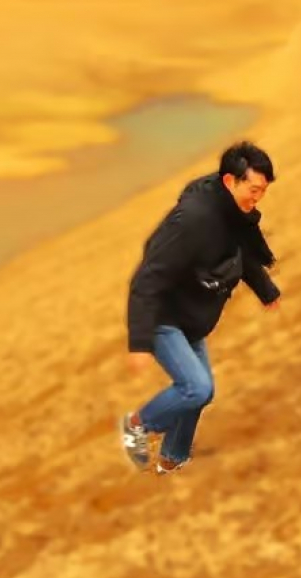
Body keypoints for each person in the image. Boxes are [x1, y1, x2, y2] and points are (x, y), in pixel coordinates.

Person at [119, 140, 281, 474]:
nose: (257, 198)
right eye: (253, 189)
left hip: (193, 318)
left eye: (262, 191)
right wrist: (140, 342)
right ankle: (137, 424)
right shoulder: (193, 221)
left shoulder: (234, 215)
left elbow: (241, 256)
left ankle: (172, 458)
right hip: (165, 316)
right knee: (197, 388)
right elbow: (148, 277)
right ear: (229, 181)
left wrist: (266, 290)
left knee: (199, 393)